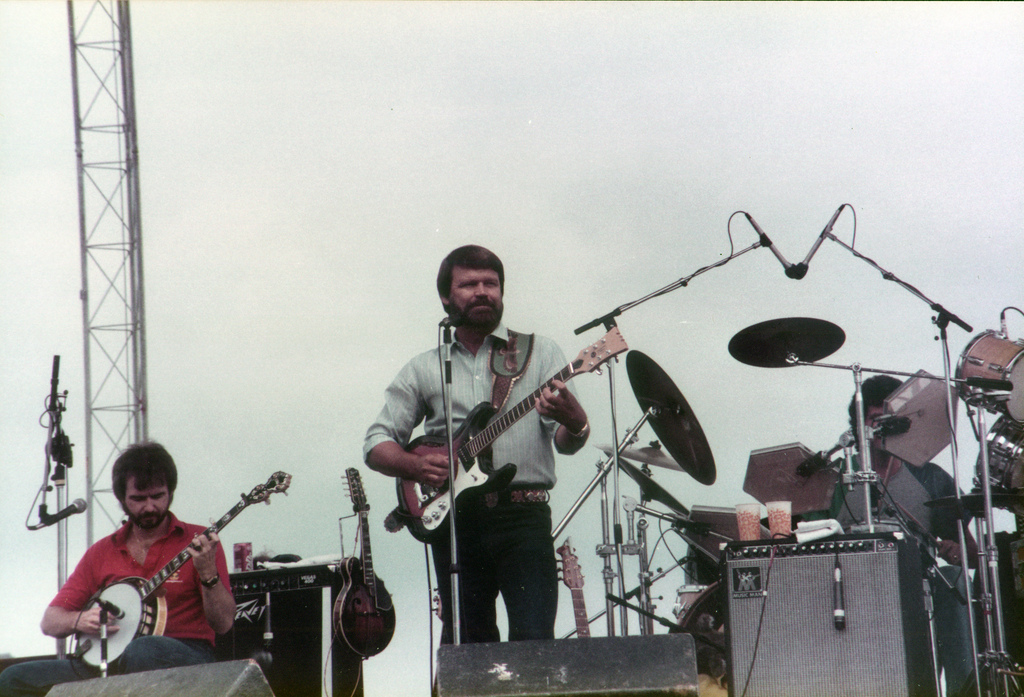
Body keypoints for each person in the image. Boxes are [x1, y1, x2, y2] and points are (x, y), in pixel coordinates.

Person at [363, 244, 590, 644]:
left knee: (535, 642)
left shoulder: (539, 352)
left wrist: (577, 423)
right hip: (456, 524)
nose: (483, 291)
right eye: (469, 284)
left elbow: (565, 442)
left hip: (524, 517)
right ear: (447, 298)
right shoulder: (424, 367)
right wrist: (414, 467)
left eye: (492, 283)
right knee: (469, 643)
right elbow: (377, 442)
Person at [0, 443, 236, 697]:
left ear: (171, 492)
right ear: (122, 499)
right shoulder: (102, 552)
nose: (149, 507)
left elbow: (223, 624)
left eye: (158, 496)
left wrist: (208, 573)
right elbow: (50, 621)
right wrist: (79, 619)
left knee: (143, 650)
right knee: (13, 679)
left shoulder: (199, 542)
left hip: (186, 656)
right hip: (109, 661)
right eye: (138, 499)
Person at [825, 374, 978, 697]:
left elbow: (970, 551)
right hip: (849, 589)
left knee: (955, 578)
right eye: (875, 421)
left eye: (890, 421)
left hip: (916, 588)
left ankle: (962, 690)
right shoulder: (834, 480)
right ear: (857, 428)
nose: (883, 429)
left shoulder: (931, 477)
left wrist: (955, 550)